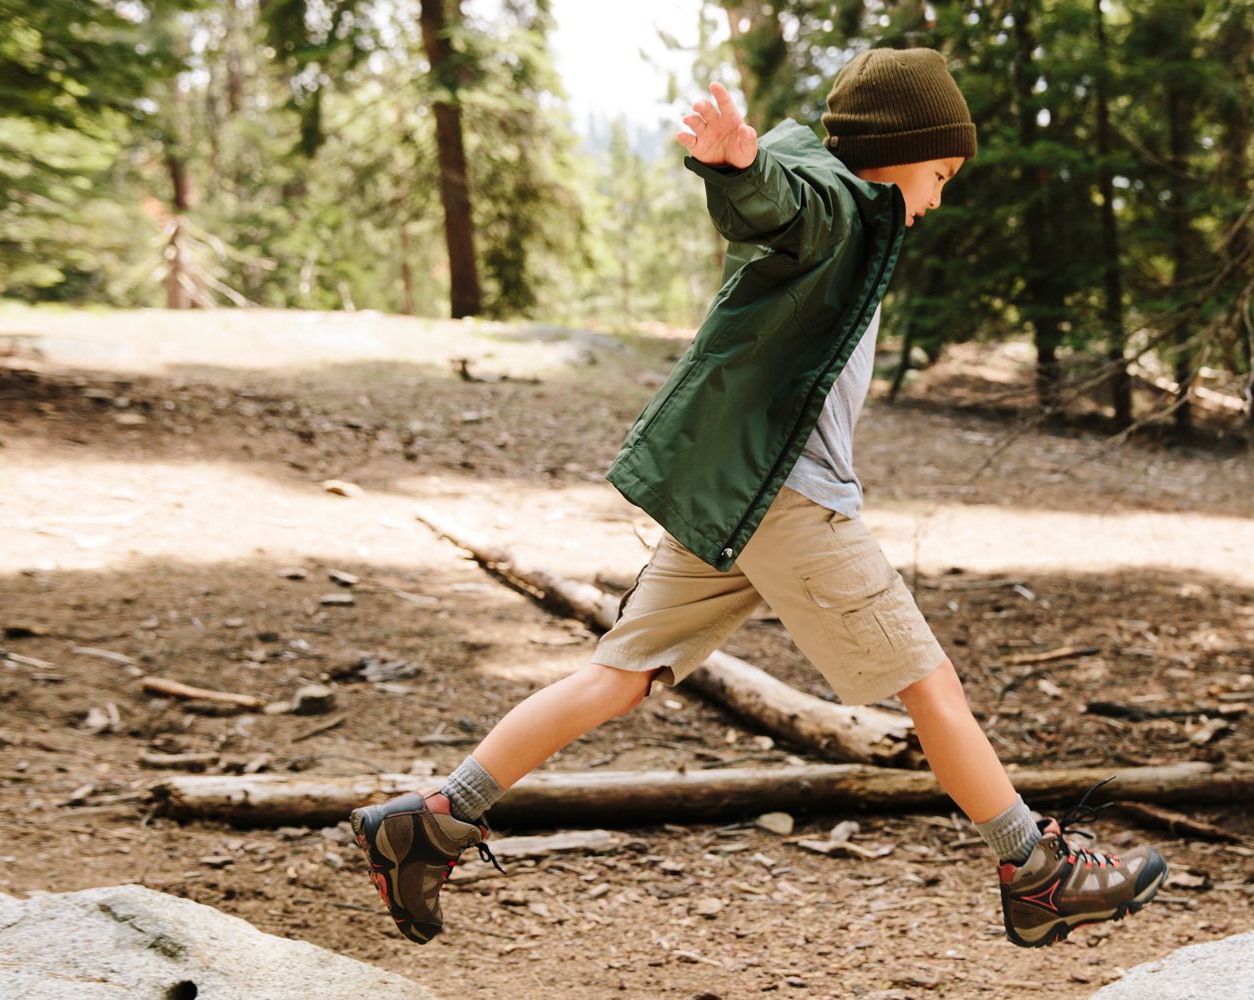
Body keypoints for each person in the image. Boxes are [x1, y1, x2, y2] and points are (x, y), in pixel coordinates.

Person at [348, 47, 1166, 950]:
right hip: (790, 498)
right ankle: (1037, 873)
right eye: (938, 174)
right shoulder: (840, 205)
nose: (937, 198)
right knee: (930, 684)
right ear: (897, 152)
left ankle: (426, 820)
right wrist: (738, 164)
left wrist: (751, 163)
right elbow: (785, 203)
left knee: (616, 677)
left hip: (739, 496)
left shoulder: (853, 207)